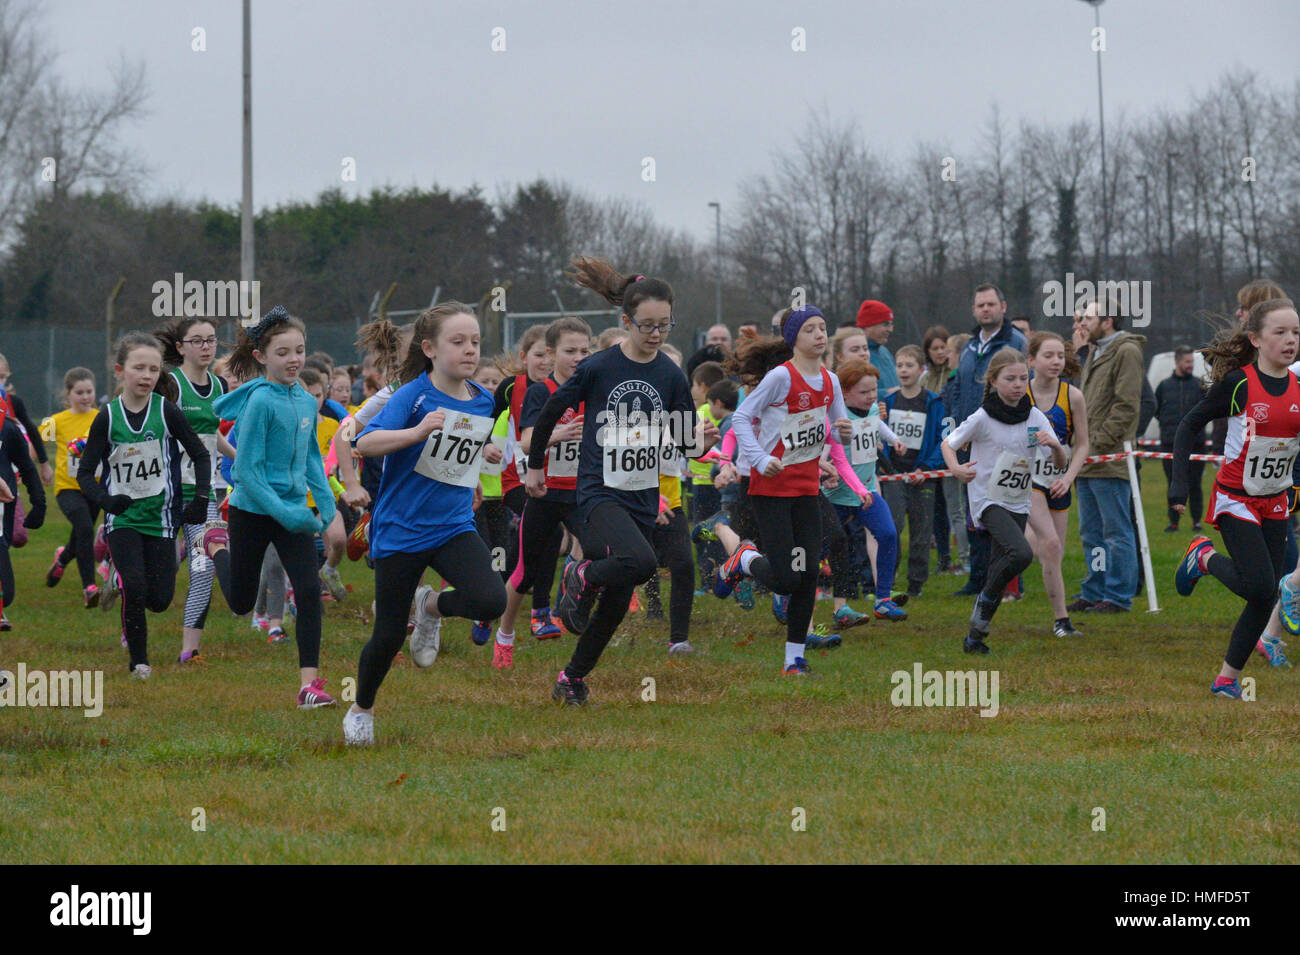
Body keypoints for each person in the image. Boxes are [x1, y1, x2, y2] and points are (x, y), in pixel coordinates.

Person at [530, 258, 716, 704]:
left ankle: (571, 678)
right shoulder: (599, 367)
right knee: (644, 562)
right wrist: (536, 464)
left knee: (616, 601)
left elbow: (686, 441)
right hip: (597, 492)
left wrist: (701, 442)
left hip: (641, 494)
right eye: (646, 326)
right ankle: (581, 571)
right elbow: (553, 411)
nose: (655, 335)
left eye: (664, 326)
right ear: (626, 321)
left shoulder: (671, 376)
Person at [343, 303, 508, 744]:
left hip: (452, 524)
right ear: (430, 349)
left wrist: (479, 458)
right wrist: (416, 433)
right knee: (389, 635)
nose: (470, 349)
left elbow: (458, 449)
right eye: (458, 342)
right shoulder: (411, 396)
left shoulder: (484, 398)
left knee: (491, 600)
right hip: (401, 528)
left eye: (474, 341)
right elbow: (365, 441)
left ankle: (431, 606)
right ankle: (362, 708)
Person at [710, 306, 861, 675]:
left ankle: (794, 660)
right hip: (770, 489)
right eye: (810, 329)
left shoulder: (830, 380)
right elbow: (742, 418)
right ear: (794, 338)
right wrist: (760, 459)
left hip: (807, 489)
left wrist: (845, 432)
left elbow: (835, 427)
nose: (820, 335)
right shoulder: (780, 377)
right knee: (786, 577)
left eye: (823, 328)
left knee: (808, 574)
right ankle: (744, 559)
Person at [1170, 298, 1300, 698]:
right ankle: (1204, 557)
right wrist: (1178, 484)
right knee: (1260, 587)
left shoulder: (1299, 388)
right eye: (1280, 332)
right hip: (1235, 499)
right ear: (1256, 339)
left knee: (1266, 593)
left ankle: (1226, 680)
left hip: (1276, 500)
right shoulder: (1240, 384)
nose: (1290, 340)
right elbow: (1189, 424)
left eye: (1295, 332)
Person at [213, 307, 338, 708]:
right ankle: (216, 547)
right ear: (262, 357)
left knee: (307, 589)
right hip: (252, 511)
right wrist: (289, 514)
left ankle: (309, 686)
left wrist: (327, 506)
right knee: (241, 602)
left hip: (291, 512)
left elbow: (313, 459)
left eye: (299, 350)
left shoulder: (305, 400)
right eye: (283, 352)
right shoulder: (260, 404)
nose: (294, 360)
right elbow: (246, 472)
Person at [77, 333, 211, 678]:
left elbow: (199, 453)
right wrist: (106, 501)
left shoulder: (167, 412)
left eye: (153, 369)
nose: (147, 375)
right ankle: (139, 662)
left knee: (160, 599)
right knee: (136, 587)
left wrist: (199, 498)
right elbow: (85, 472)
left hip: (163, 519)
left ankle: (118, 583)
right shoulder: (107, 417)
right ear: (121, 370)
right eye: (139, 368)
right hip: (123, 519)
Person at [943, 348, 1066, 654]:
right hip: (987, 500)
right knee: (1022, 553)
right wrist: (956, 469)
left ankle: (975, 635)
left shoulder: (1034, 416)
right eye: (1010, 378)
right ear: (994, 380)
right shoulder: (982, 417)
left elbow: (1060, 462)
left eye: (1023, 378)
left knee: (1002, 565)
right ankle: (984, 600)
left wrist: (1054, 445)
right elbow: (949, 444)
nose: (1018, 384)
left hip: (1019, 501)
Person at [492, 317, 592, 668]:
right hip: (543, 494)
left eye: (584, 350)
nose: (578, 357)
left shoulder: (593, 390)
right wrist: (559, 434)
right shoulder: (540, 392)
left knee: (601, 551)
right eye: (570, 351)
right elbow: (524, 441)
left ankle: (574, 584)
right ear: (551, 354)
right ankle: (504, 635)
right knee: (524, 573)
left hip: (581, 494)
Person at [155, 317, 237, 663]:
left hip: (200, 492)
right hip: (163, 492)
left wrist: (240, 458)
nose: (206, 347)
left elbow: (209, 434)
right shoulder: (170, 384)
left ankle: (189, 651)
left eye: (211, 340)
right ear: (180, 347)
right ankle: (126, 607)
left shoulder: (219, 386)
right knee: (154, 575)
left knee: (203, 568)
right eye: (197, 341)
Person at [949, 285, 1027, 596]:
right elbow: (958, 387)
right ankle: (978, 578)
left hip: (1006, 439)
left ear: (1003, 306)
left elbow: (1025, 387)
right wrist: (958, 421)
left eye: (991, 304)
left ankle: (1007, 582)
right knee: (975, 513)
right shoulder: (968, 347)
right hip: (974, 438)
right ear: (974, 309)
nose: (985, 309)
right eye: (980, 304)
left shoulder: (1015, 342)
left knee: (1005, 511)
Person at [1069, 297, 1144, 614]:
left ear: (1108, 321)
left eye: (1088, 318)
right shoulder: (1095, 351)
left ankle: (1117, 596)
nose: (1083, 323)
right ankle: (1094, 589)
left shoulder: (1126, 351)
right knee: (1091, 533)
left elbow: (1126, 407)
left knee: (1116, 533)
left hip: (1107, 460)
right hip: (1085, 461)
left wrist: (1095, 443)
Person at [825, 359, 907, 620]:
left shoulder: (871, 409)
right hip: (835, 496)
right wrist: (824, 472)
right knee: (823, 548)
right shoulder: (835, 418)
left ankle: (883, 599)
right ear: (844, 392)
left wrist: (893, 439)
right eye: (864, 392)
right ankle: (792, 596)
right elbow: (825, 451)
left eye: (874, 390)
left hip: (867, 491)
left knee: (888, 534)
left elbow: (876, 424)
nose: (872, 396)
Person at [1024, 332, 1089, 637]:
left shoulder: (1073, 396)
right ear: (1031, 360)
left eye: (1060, 356)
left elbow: (1083, 445)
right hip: (1026, 479)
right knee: (1049, 545)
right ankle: (1062, 620)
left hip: (1058, 479)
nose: (1055, 362)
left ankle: (1058, 620)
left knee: (1055, 553)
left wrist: (1068, 477)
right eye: (1048, 356)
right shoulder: (1019, 393)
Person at [881, 344, 946, 597]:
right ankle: (889, 575)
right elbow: (880, 434)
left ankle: (916, 584)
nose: (903, 370)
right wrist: (887, 466)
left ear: (922, 370)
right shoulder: (888, 401)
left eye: (909, 366)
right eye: (899, 365)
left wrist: (926, 467)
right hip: (894, 476)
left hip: (923, 476)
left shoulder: (933, 402)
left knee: (921, 532)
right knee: (892, 529)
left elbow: (943, 438)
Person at [40, 368, 105, 607]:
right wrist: (39, 466)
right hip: (67, 488)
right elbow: (35, 444)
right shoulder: (56, 421)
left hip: (94, 489)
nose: (86, 396)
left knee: (81, 533)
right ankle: (89, 587)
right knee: (86, 529)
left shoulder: (101, 417)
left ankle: (63, 558)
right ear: (68, 394)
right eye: (80, 392)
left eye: (89, 391)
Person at [1155, 346, 1206, 533]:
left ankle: (1196, 522)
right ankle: (1173, 522)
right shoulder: (1164, 386)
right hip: (1169, 444)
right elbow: (1156, 409)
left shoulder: (1200, 386)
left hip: (1196, 444)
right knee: (1172, 483)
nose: (1190, 365)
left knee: (1195, 484)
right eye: (1187, 362)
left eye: (1192, 361)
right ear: (1177, 362)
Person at [855, 300, 899, 395]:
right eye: (886, 324)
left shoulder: (884, 352)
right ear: (868, 325)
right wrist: (887, 394)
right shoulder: (855, 354)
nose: (890, 330)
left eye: (891, 324)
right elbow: (851, 393)